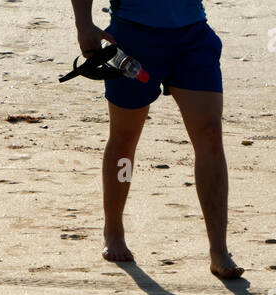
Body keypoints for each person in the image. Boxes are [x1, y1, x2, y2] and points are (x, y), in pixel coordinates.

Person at [71, 0, 242, 279]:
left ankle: (219, 250)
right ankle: (113, 231)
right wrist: (84, 24)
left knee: (210, 134)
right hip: (133, 38)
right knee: (125, 139)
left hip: (192, 37)